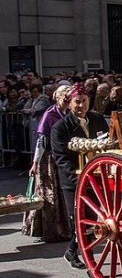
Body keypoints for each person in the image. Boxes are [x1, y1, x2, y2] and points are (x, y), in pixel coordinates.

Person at [50, 83, 109, 269]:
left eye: (84, 101)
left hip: (96, 177)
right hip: (74, 181)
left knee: (91, 219)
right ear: (69, 104)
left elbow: (106, 143)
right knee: (78, 219)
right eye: (77, 102)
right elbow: (60, 158)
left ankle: (71, 250)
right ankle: (90, 263)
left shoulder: (98, 119)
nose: (81, 106)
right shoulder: (60, 127)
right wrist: (79, 178)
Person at [22, 85, 72, 242]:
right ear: (57, 97)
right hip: (49, 158)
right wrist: (35, 163)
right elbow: (41, 141)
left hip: (65, 155)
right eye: (64, 95)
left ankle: (67, 228)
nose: (67, 98)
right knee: (50, 193)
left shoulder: (71, 113)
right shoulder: (50, 114)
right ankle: (50, 230)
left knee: (65, 195)